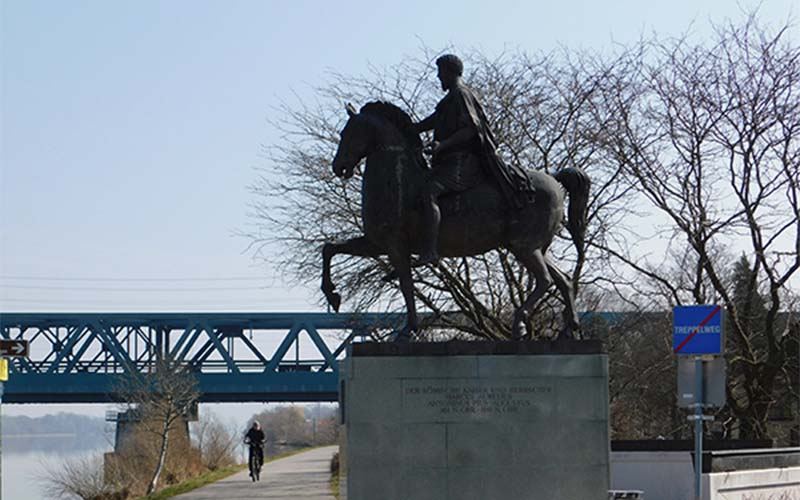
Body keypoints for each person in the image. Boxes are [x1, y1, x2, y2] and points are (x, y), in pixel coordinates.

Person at [414, 54, 533, 265]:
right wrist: (410, 128)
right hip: (451, 162)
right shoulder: (450, 99)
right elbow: (435, 120)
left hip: (463, 163)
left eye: (441, 73)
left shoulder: (461, 94)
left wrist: (442, 145)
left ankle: (430, 250)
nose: (438, 77)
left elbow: (471, 129)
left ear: (451, 72)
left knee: (429, 191)